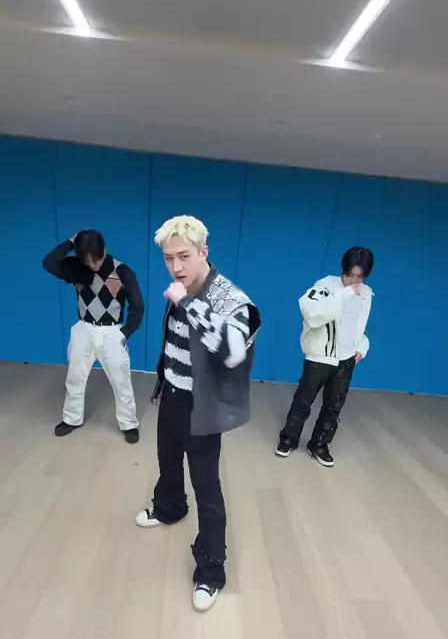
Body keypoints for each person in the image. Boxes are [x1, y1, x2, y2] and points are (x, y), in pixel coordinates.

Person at [136, 215, 261, 612]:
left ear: (203, 251)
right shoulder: (182, 288)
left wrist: (187, 303)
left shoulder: (229, 298)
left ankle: (211, 570)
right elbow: (175, 343)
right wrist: (163, 385)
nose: (176, 266)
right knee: (167, 461)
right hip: (173, 394)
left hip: (203, 405)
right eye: (169, 258)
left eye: (184, 256)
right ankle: (170, 507)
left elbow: (233, 352)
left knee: (207, 486)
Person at [276, 246, 374, 467]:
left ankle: (319, 445)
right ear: (343, 270)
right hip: (319, 357)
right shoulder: (325, 286)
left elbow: (359, 324)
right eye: (350, 275)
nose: (354, 281)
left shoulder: (366, 293)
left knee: (333, 406)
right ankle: (288, 439)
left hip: (346, 359)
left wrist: (362, 346)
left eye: (360, 276)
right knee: (303, 401)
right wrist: (344, 295)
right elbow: (312, 316)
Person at [43, 229, 144, 442]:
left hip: (112, 331)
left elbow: (138, 306)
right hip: (84, 329)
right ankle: (71, 418)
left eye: (96, 261)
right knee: (74, 378)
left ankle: (129, 423)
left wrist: (125, 332)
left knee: (121, 381)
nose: (93, 266)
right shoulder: (77, 268)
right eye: (88, 262)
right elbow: (49, 263)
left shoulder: (122, 271)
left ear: (104, 250)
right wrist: (71, 242)